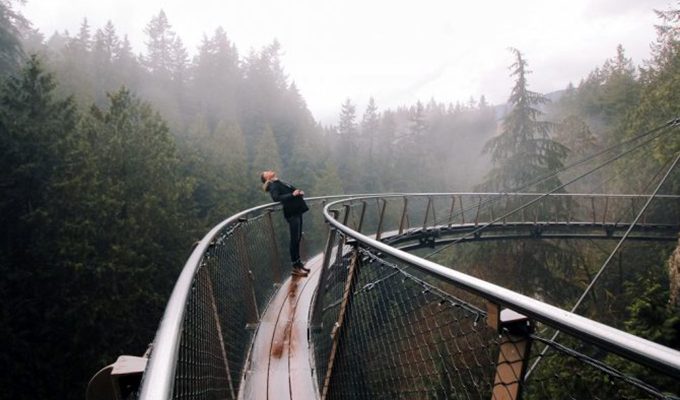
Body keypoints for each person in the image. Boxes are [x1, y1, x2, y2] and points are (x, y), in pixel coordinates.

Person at [260, 170, 310, 277]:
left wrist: (298, 192)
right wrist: (292, 194)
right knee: (294, 239)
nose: (270, 171)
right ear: (267, 178)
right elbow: (276, 198)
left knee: (298, 237)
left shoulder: (278, 182)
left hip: (296, 211)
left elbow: (289, 192)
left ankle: (299, 264)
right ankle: (295, 267)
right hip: (292, 213)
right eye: (266, 173)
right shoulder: (273, 185)